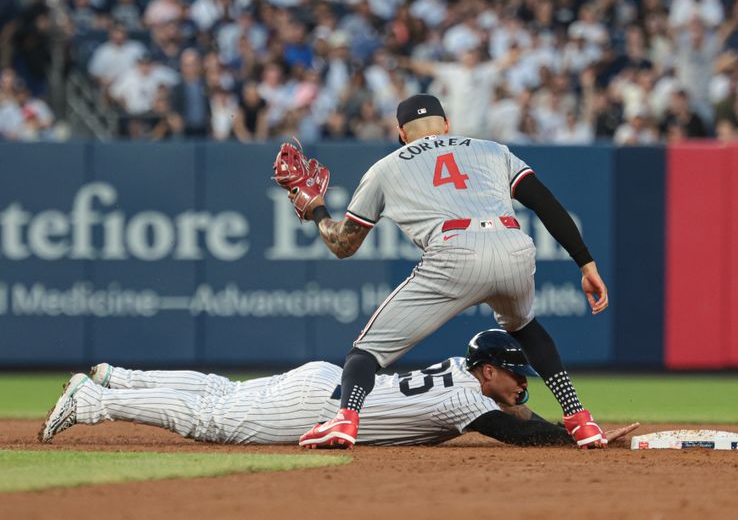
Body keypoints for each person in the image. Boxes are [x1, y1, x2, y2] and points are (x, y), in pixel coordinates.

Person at [286, 94, 611, 450]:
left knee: (364, 354)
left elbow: (343, 245)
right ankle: (581, 421)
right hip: (513, 245)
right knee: (525, 326)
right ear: (446, 125)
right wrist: (585, 262)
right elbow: (546, 203)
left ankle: (345, 421)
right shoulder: (492, 149)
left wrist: (316, 210)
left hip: (454, 251)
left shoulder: (386, 167)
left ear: (402, 134)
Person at [38, 330, 639, 447]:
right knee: (212, 421)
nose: (523, 385)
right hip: (319, 403)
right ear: (489, 372)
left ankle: (120, 376)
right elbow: (517, 434)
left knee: (221, 389)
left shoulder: (464, 373)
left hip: (332, 385)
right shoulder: (469, 399)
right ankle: (98, 400)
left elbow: (517, 420)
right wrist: (577, 439)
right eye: (517, 374)